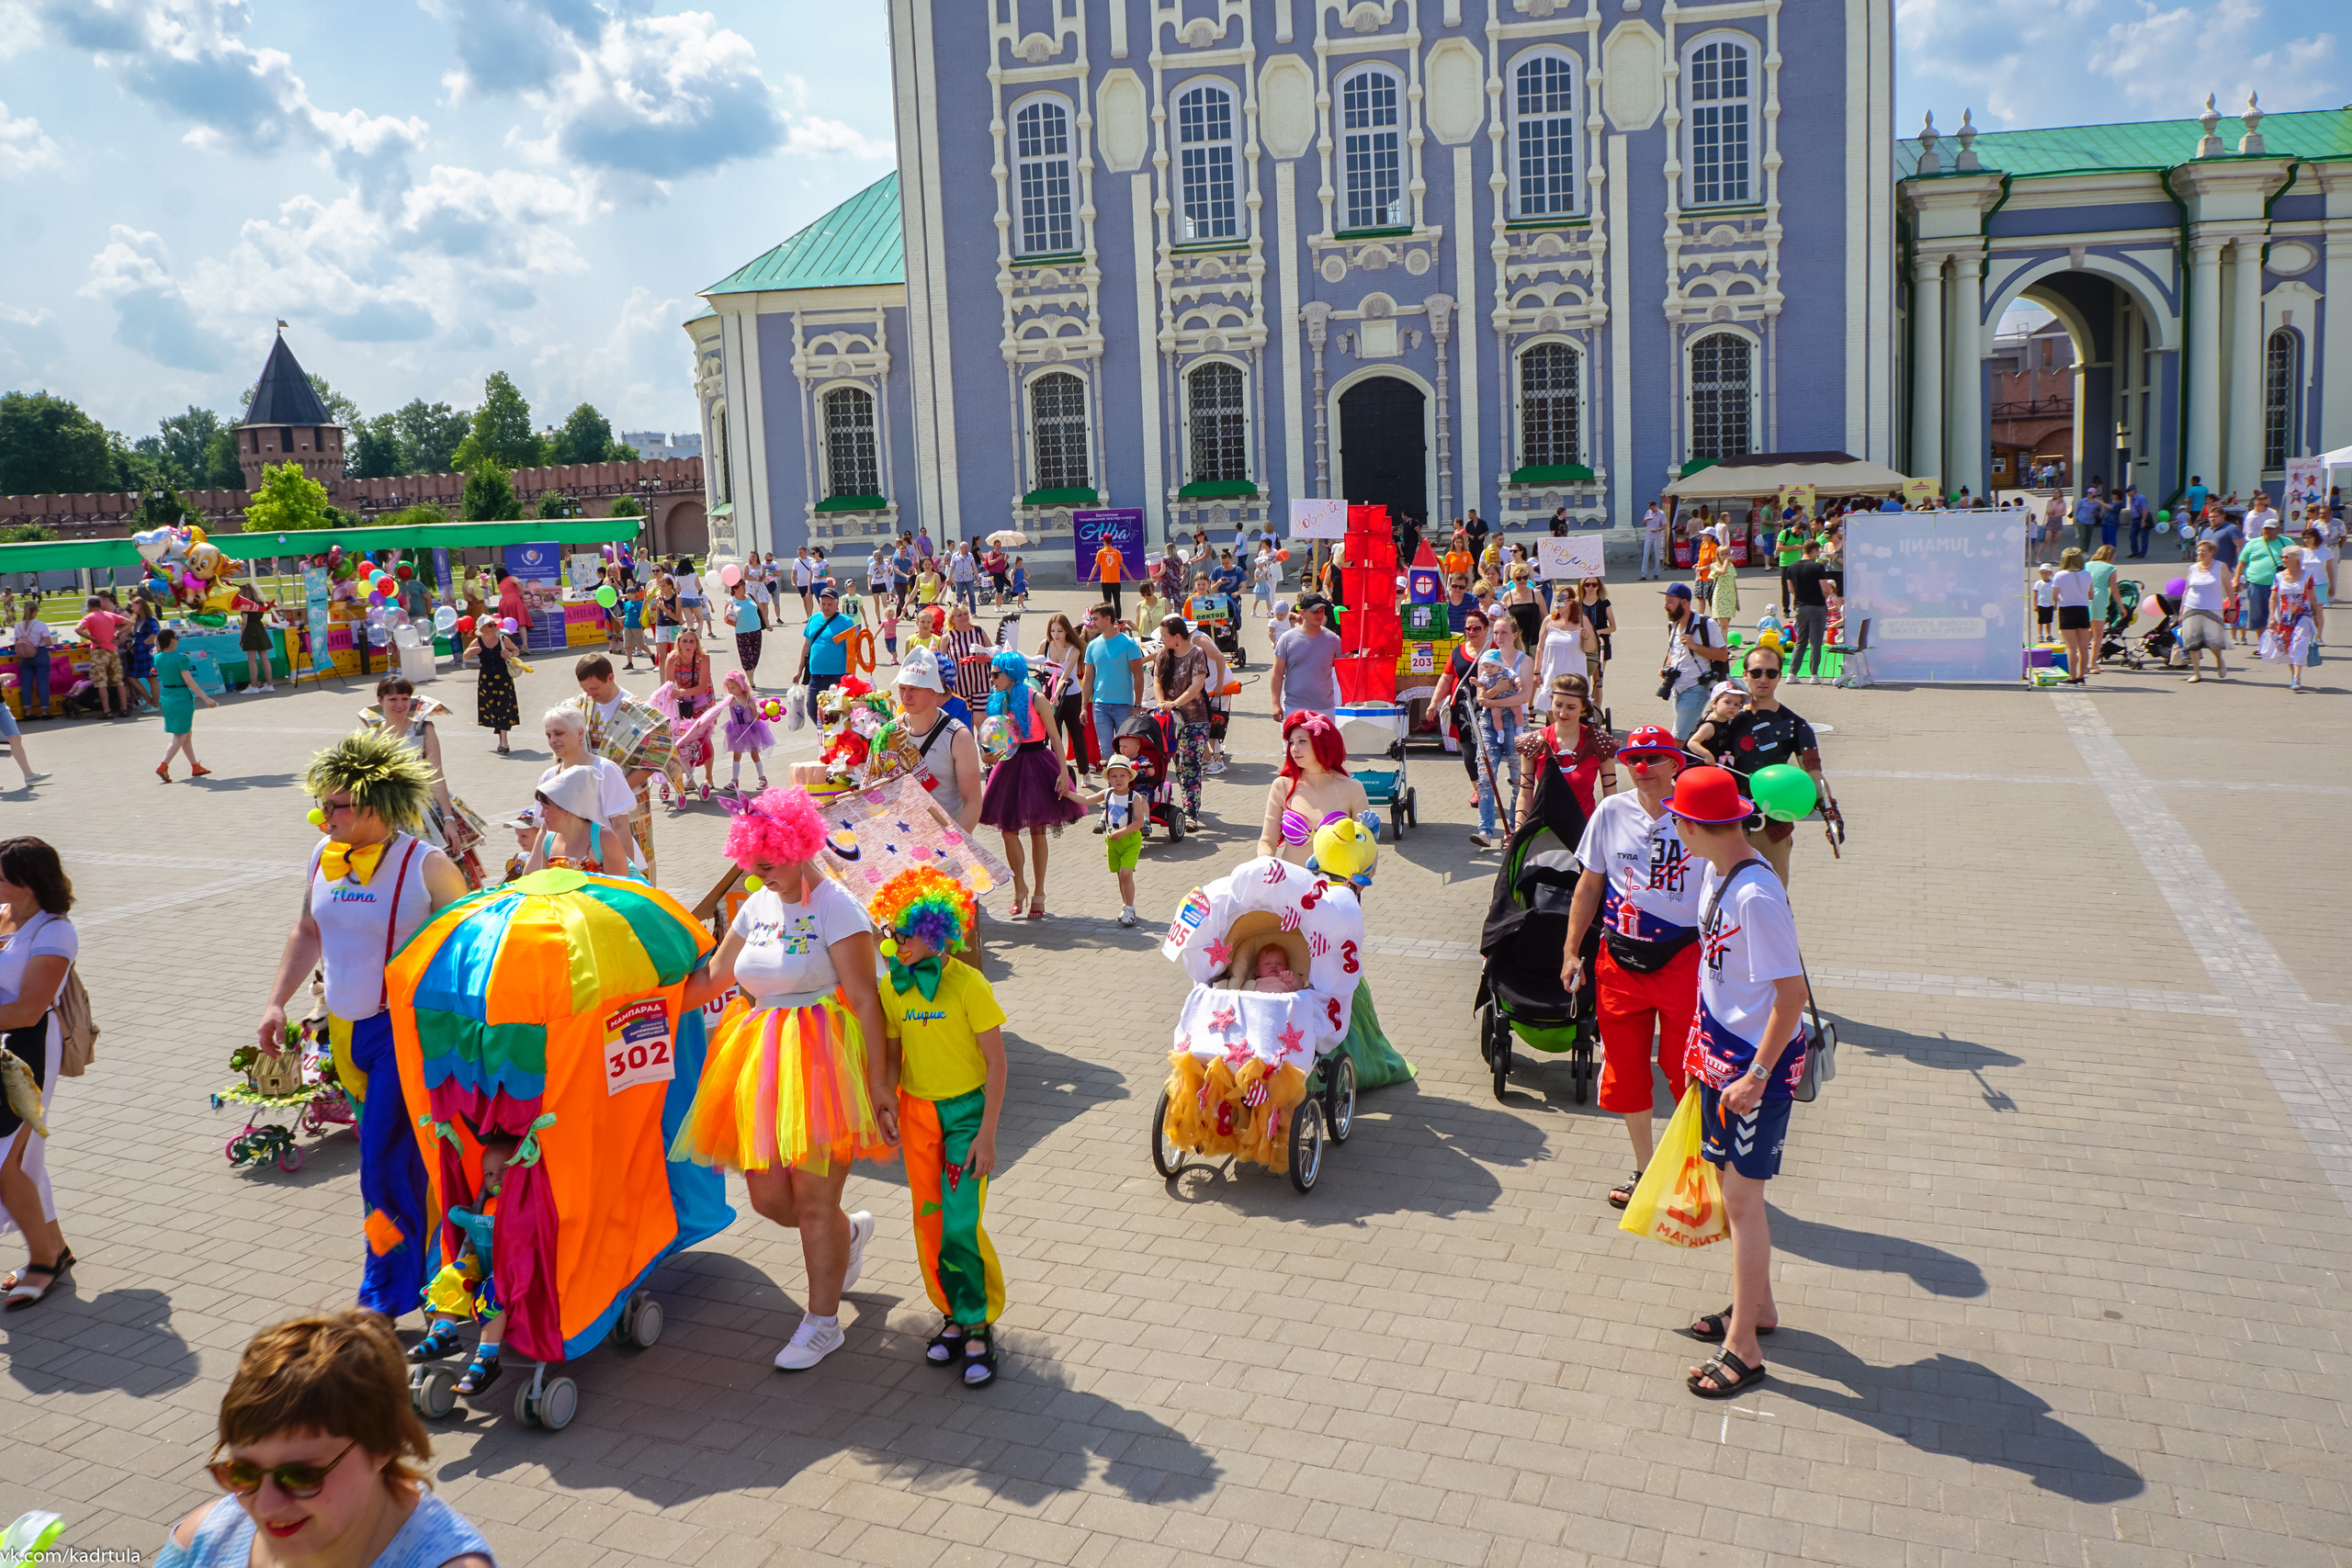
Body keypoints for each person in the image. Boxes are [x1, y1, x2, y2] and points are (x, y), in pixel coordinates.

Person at [674, 788, 893, 1371]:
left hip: (823, 1059)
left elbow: (866, 1001)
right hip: (762, 1056)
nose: (759, 874)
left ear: (798, 848)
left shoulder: (838, 907)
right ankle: (847, 1235)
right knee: (770, 1199)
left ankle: (823, 1324)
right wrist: (636, 999)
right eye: (753, 864)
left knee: (815, 1202)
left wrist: (878, 1085)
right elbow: (713, 978)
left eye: (768, 864)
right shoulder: (756, 904)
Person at [256, 733, 469, 1317]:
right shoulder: (322, 857)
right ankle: (437, 1267)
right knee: (402, 1162)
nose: (322, 816)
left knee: (380, 1164)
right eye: (320, 804)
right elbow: (307, 931)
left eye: (336, 805)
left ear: (374, 806)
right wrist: (276, 1003)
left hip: (404, 1035)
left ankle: (383, 1297)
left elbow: (470, 950)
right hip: (344, 1034)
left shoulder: (428, 865)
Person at [1666, 764, 1813, 1400]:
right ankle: (1759, 1308)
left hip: (1756, 1069)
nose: (1673, 824)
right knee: (1734, 1198)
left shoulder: (1755, 894)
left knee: (1743, 1203)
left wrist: (1756, 1076)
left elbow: (1791, 996)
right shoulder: (1714, 872)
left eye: (1677, 816)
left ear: (1691, 824)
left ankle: (1745, 1347)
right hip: (1720, 1059)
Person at [155, 1310, 494, 1568]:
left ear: (382, 1446)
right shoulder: (201, 1542)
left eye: (301, 1475)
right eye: (243, 1472)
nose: (265, 1505)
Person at [869, 869, 1009, 1386]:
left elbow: (997, 1064)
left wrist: (987, 1133)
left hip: (965, 1116)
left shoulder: (969, 985)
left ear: (935, 932)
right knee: (929, 1221)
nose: (893, 943)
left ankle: (977, 1324)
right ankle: (952, 1313)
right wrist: (886, 1098)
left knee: (959, 1224)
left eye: (904, 934)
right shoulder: (893, 985)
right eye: (890, 933)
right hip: (916, 1113)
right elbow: (892, 1052)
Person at [1561, 726, 1701, 1208]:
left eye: (1655, 758)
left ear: (1676, 763)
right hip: (1619, 962)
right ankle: (1646, 1169)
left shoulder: (1697, 815)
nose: (1642, 769)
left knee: (1687, 1072)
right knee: (1626, 1074)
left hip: (1683, 958)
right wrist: (1571, 950)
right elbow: (1589, 885)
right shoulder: (1611, 811)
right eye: (1634, 760)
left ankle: (1692, 1172)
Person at [1685, 646, 1841, 885]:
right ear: (1745, 675)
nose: (1763, 679)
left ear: (1780, 676)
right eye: (1756, 672)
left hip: (1771, 830)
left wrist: (1831, 812)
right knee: (1719, 898)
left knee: (1771, 897)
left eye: (1771, 673)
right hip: (1724, 825)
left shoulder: (1796, 725)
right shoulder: (1726, 721)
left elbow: (1813, 773)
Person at [0, 838, 75, 1310]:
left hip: (26, 1053)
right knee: (21, 1160)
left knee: (4, 1162)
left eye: (0, 877)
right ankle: (55, 1249)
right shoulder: (4, 916)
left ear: (27, 882)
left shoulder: (54, 931)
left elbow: (29, 1009)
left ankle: (43, 1260)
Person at [978, 650, 1081, 919]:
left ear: (1010, 674)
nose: (991, 679)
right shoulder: (998, 700)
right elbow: (989, 738)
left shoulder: (1037, 698)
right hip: (1008, 765)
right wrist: (986, 755)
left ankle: (1039, 893)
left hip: (1037, 764)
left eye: (995, 674)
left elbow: (1056, 738)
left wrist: (1063, 773)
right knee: (1007, 832)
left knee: (1038, 833)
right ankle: (1019, 887)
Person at [559, 655, 676, 882]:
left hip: (629, 799)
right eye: (585, 689)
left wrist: (613, 789)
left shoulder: (639, 712)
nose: (590, 695)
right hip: (585, 801)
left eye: (595, 688)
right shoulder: (578, 706)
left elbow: (653, 760)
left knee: (634, 861)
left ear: (611, 678)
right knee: (590, 862)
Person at [365, 679, 473, 879]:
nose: (400, 704)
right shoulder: (373, 735)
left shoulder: (423, 729)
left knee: (436, 873)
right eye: (393, 699)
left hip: (425, 811)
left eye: (405, 698)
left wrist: (448, 819)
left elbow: (436, 775)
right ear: (380, 700)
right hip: (388, 814)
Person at [1255, 711, 1370, 868]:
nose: (1294, 749)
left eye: (1302, 741)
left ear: (1322, 742)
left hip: (1337, 882)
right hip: (1292, 880)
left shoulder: (1352, 788)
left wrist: (1359, 878)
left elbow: (1366, 844)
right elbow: (1267, 841)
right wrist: (1264, 863)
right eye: (1291, 742)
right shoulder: (1282, 786)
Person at [1513, 673, 1616, 837]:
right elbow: (1526, 793)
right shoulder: (1533, 742)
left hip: (1585, 832)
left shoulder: (1601, 743)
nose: (1562, 713)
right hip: (1543, 832)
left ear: (1583, 708)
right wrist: (1519, 832)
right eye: (1558, 705)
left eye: (1571, 707)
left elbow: (1611, 798)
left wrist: (1611, 835)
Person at [894, 649, 983, 834]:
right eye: (902, 688)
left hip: (946, 842)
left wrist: (954, 843)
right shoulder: (891, 732)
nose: (906, 696)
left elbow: (973, 803)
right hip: (902, 840)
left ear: (934, 690)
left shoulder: (959, 737)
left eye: (914, 689)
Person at [538, 706, 640, 867]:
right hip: (565, 869)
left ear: (580, 733)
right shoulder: (549, 777)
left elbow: (620, 825)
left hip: (606, 867)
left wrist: (626, 876)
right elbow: (544, 830)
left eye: (559, 733)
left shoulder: (605, 770)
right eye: (549, 735)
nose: (552, 740)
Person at [1469, 614, 1531, 851]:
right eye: (1495, 632)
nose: (1498, 636)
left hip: (1515, 722)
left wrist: (1492, 699)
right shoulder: (1486, 659)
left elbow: (1524, 696)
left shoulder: (1524, 661)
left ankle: (1514, 830)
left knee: (1518, 778)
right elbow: (1481, 698)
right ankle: (1485, 830)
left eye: (1503, 632)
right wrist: (1498, 690)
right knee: (1485, 775)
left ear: (1515, 635)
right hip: (1489, 721)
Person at [1150, 615, 1214, 829]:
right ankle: (1181, 803)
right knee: (1177, 765)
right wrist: (1162, 704)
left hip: (1196, 719)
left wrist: (1175, 703)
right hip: (1169, 720)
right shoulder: (1163, 654)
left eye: (1164, 635)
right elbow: (1157, 683)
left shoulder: (1197, 653)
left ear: (1177, 637)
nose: (1161, 639)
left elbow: (1197, 685)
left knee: (1189, 765)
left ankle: (1190, 813)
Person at [1074, 752, 1146, 925]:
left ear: (1129, 776)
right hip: (1112, 841)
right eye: (1114, 776)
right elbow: (1085, 800)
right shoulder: (1107, 793)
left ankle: (1130, 909)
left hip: (1130, 839)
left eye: (1122, 776)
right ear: (1109, 779)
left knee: (1126, 873)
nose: (1118, 779)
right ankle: (1126, 907)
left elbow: (1139, 822)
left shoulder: (1135, 797)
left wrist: (1122, 832)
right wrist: (1068, 793)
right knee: (1120, 876)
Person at [1660, 582, 1729, 739]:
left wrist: (1694, 646)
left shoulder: (1707, 624)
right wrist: (1667, 666)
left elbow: (1723, 655)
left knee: (1677, 738)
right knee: (1691, 733)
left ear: (1685, 602)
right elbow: (1673, 651)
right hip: (1677, 688)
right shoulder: (1673, 625)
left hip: (1696, 687)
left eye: (1670, 601)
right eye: (1666, 601)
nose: (1666, 606)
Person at [1081, 602, 1145, 764]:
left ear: (1108, 618)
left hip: (1124, 705)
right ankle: (1112, 781)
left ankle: (1127, 780)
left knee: (1125, 750)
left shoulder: (1129, 643)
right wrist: (1083, 707)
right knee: (1106, 751)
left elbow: (1138, 675)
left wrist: (1137, 705)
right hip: (1099, 705)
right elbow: (1088, 677)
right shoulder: (1092, 645)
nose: (1092, 623)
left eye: (1095, 619)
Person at [153, 627, 220, 782]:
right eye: (176, 638)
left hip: (168, 697)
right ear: (172, 640)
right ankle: (163, 765)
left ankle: (195, 765)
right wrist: (207, 699)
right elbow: (189, 681)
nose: (178, 640)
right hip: (181, 697)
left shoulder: (158, 658)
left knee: (186, 733)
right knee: (180, 736)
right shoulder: (181, 658)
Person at [661, 626, 718, 798]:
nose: (688, 644)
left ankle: (709, 776)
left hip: (703, 699)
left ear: (696, 643)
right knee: (683, 739)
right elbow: (668, 686)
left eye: (691, 641)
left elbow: (702, 686)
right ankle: (689, 778)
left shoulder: (703, 658)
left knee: (703, 737)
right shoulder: (672, 658)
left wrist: (681, 692)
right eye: (684, 641)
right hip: (682, 702)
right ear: (678, 643)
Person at [1780, 538, 1842, 684]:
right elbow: (1825, 589)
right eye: (1818, 551)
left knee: (1800, 641)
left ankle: (1792, 674)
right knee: (1815, 641)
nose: (1819, 553)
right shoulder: (1818, 567)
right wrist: (1822, 598)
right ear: (1813, 550)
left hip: (1800, 607)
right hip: (1817, 607)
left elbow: (1791, 590)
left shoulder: (1791, 567)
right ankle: (1814, 675)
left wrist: (1802, 597)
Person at [1272, 597, 1343, 718]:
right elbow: (1277, 673)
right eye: (1315, 611)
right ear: (1302, 613)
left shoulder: (1334, 640)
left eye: (1322, 611)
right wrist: (1275, 704)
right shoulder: (1287, 639)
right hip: (1294, 708)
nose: (1319, 615)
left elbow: (1347, 670)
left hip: (1325, 709)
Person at [2261, 546, 2319, 692]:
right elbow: (2273, 598)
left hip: (2303, 616)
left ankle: (2297, 676)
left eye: (2286, 557)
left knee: (2299, 644)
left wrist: (2317, 616)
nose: (2283, 559)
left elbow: (2313, 598)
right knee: (2288, 647)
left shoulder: (2307, 576)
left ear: (2296, 559)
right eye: (2282, 557)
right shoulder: (2278, 577)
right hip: (2285, 618)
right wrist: (2272, 618)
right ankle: (2294, 674)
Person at [1532, 595, 1598, 722]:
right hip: (1552, 672)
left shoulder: (1582, 621)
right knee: (1552, 703)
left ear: (1570, 601)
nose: (1558, 603)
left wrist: (1586, 636)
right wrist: (1536, 672)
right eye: (1556, 600)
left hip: (1574, 672)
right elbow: (1540, 647)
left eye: (1561, 600)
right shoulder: (1548, 620)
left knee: (1573, 704)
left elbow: (1590, 648)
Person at [2177, 539, 2233, 682]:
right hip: (2192, 607)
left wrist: (2232, 607)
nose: (2200, 553)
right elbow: (2186, 591)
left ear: (2212, 552)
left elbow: (2229, 588)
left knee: (2213, 641)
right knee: (2192, 641)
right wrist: (2182, 611)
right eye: (2199, 550)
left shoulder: (2220, 567)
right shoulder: (2193, 568)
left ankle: (2219, 659)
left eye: (2204, 551)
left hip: (2212, 608)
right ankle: (2197, 673)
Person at [469, 615, 521, 754]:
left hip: (503, 679)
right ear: (482, 629)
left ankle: (504, 742)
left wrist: (509, 653)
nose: (494, 628)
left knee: (504, 707)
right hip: (486, 681)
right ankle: (501, 740)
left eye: (494, 625)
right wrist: (470, 652)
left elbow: (516, 651)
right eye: (490, 625)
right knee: (493, 709)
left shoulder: (503, 639)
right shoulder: (478, 641)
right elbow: (465, 657)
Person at [799, 584, 858, 699]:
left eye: (829, 604)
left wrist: (851, 677)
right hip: (815, 675)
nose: (826, 607)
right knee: (812, 707)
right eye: (823, 604)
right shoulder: (813, 619)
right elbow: (806, 646)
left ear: (837, 604)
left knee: (835, 709)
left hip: (837, 676)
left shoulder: (846, 622)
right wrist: (799, 671)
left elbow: (851, 651)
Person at [2050, 547, 2096, 684]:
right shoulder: (2087, 575)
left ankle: (2072, 677)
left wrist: (2062, 598)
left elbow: (2054, 596)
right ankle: (2081, 676)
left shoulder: (2059, 575)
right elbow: (2091, 595)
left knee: (2071, 647)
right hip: (2083, 610)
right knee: (2083, 647)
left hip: (2067, 610)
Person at [2240, 515, 2290, 643]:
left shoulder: (2287, 543)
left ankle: (2280, 642)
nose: (2268, 531)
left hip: (2281, 585)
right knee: (2258, 617)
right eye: (2266, 529)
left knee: (2281, 615)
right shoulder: (2253, 543)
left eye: (2271, 529)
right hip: (2257, 584)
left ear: (2277, 529)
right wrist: (2236, 580)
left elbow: (2298, 561)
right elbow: (2242, 562)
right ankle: (2262, 644)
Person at [76, 595, 128, 717]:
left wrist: (92, 638)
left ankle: (107, 710)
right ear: (100, 605)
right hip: (112, 651)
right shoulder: (110, 615)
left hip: (99, 651)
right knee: (119, 681)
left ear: (89, 606)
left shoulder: (89, 617)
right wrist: (117, 633)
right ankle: (124, 708)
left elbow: (78, 629)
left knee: (101, 682)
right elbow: (129, 622)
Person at [230, 583, 278, 693]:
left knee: (251, 660)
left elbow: (244, 622)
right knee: (265, 658)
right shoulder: (260, 602)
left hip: (250, 630)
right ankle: (269, 684)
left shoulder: (246, 604)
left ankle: (253, 685)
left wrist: (241, 636)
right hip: (260, 628)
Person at [12, 601, 52, 721]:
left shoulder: (18, 626)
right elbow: (48, 642)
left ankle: (28, 711)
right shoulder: (40, 625)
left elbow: (17, 643)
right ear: (35, 611)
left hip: (24, 656)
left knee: (26, 684)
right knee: (43, 682)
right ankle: (45, 710)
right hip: (39, 653)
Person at [728, 576, 769, 681]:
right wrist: (731, 611)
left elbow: (761, 609)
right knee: (746, 658)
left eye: (744, 586)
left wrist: (767, 623)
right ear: (735, 588)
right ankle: (751, 680)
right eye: (742, 587)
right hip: (742, 632)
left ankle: (749, 677)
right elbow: (727, 619)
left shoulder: (751, 596)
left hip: (756, 629)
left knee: (755, 656)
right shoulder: (731, 601)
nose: (744, 589)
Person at [1091, 534, 1126, 617]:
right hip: (1116, 581)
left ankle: (1108, 618)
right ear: (1111, 541)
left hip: (1105, 581)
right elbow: (1123, 566)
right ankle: (1118, 618)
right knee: (1117, 601)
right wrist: (1131, 578)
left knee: (1107, 603)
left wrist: (1090, 579)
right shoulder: (1117, 552)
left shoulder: (1101, 552)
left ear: (1104, 542)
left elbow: (1095, 567)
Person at [1641, 501, 1668, 581]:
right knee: (1646, 554)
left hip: (1657, 535)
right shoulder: (1648, 512)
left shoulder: (1661, 514)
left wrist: (1657, 530)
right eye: (1650, 508)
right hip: (1649, 535)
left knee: (1657, 554)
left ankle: (1656, 574)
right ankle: (1643, 574)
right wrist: (1645, 520)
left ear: (1655, 506)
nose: (1652, 510)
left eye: (1652, 508)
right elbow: (1643, 524)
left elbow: (1663, 526)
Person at [793, 545, 819, 615]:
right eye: (798, 552)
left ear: (805, 552)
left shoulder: (811, 560)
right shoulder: (796, 561)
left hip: (809, 583)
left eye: (801, 552)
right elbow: (794, 572)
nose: (799, 554)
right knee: (804, 600)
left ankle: (810, 615)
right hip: (800, 584)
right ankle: (808, 616)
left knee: (809, 598)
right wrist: (793, 582)